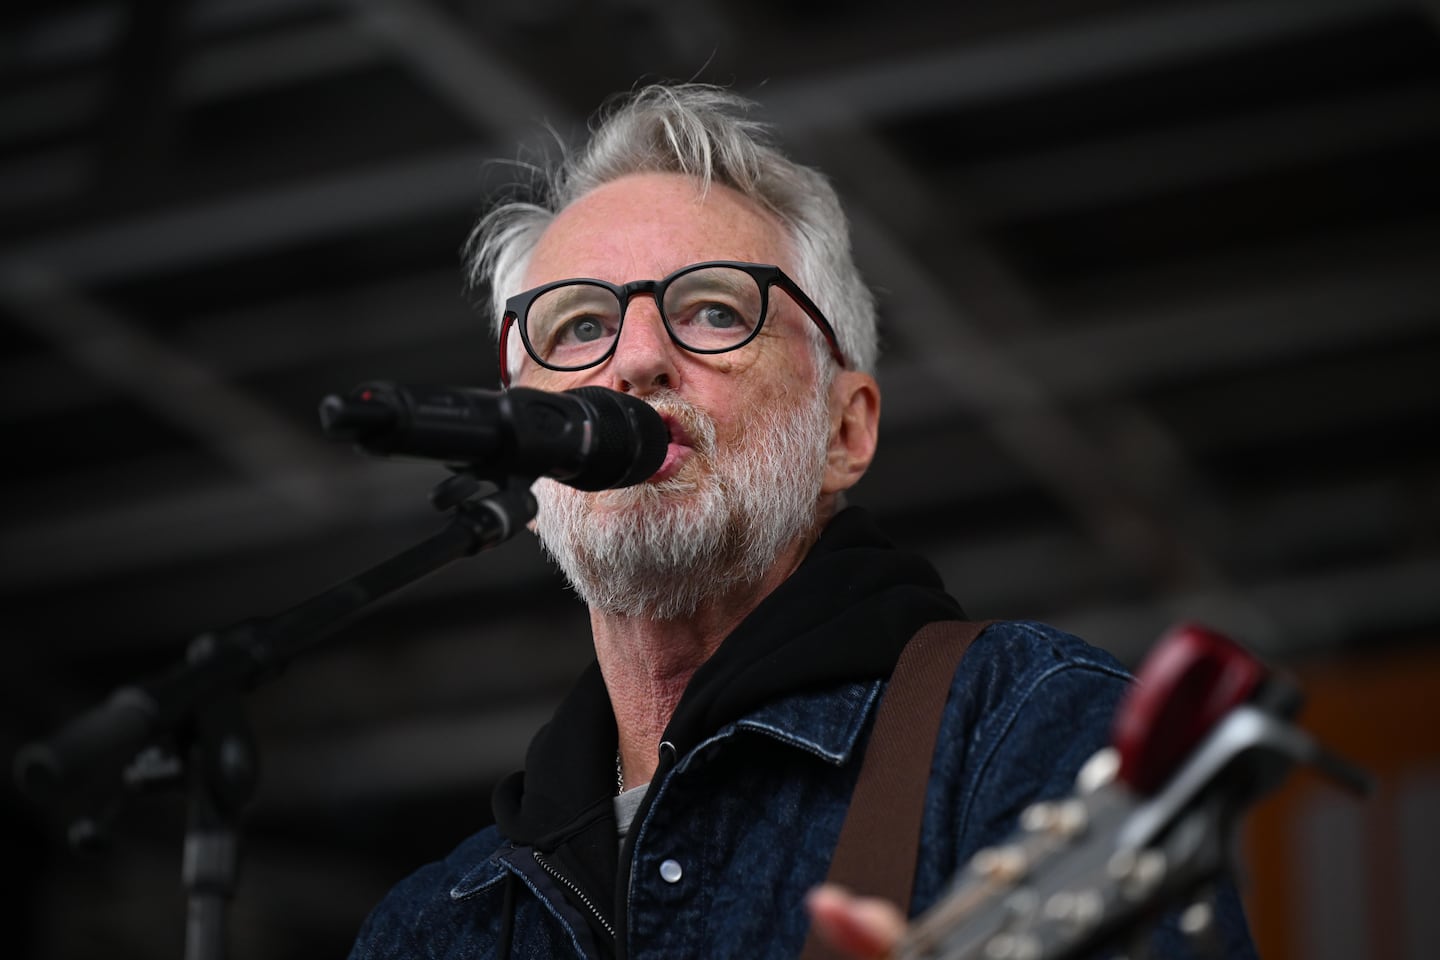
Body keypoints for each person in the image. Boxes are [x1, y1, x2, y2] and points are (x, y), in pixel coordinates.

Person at [348, 83, 1257, 959]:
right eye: (580, 326)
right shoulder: (433, 928)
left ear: (846, 429)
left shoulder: (1025, 725)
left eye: (713, 310)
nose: (635, 360)